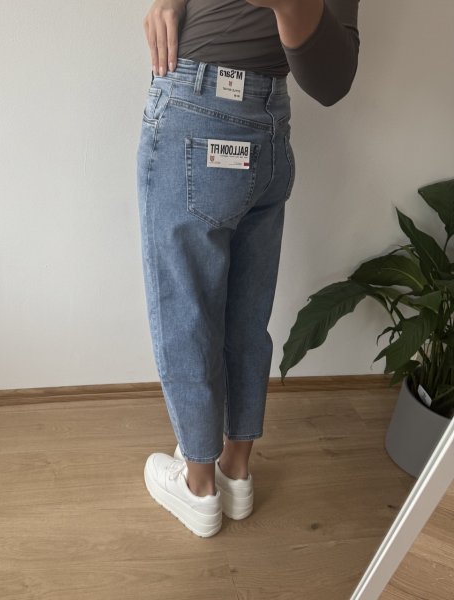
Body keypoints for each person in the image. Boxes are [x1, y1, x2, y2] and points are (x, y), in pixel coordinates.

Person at [137, 0, 360, 537]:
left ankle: (198, 487)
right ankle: (235, 470)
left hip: (196, 105)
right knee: (245, 313)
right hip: (269, 117)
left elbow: (333, 79)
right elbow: (333, 73)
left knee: (185, 308)